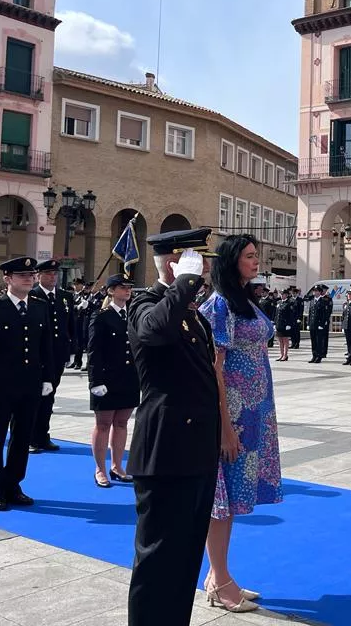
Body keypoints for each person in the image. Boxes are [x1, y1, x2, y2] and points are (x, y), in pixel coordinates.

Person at [126, 228, 220, 626]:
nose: (205, 275)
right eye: (199, 266)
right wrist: (183, 283)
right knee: (158, 556)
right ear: (173, 264)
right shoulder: (144, 303)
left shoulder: (193, 314)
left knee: (185, 554)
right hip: (165, 450)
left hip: (196, 447)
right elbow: (154, 332)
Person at [198, 234, 282, 613]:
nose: (255, 261)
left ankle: (220, 576)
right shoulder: (219, 306)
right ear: (232, 261)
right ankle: (220, 580)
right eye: (249, 256)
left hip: (255, 410)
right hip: (232, 412)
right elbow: (214, 367)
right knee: (222, 500)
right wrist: (224, 427)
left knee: (232, 498)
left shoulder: (245, 299)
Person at [0, 257, 54, 511]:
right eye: (21, 275)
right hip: (0, 387)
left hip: (29, 385)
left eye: (31, 275)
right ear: (7, 279)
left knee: (22, 438)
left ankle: (13, 484)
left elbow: (46, 347)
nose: (28, 279)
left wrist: (48, 378)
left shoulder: (40, 307)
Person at [87, 274, 139, 488]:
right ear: (110, 291)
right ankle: (100, 468)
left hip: (128, 378)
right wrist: (95, 380)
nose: (127, 291)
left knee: (121, 423)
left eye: (128, 287)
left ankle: (117, 466)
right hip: (107, 379)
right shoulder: (101, 316)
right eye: (121, 287)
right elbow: (93, 350)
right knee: (103, 424)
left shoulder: (132, 315)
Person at [28, 259, 76, 454]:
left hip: (57, 355)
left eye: (55, 274)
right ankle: (31, 437)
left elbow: (70, 325)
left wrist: (72, 349)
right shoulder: (32, 295)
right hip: (37, 356)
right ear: (39, 276)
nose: (52, 277)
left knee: (50, 396)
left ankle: (43, 435)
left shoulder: (65, 297)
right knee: (34, 397)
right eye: (48, 274)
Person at [308, 285, 332, 363]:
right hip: (312, 324)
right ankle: (314, 355)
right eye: (314, 291)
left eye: (317, 291)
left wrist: (322, 325)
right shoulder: (312, 301)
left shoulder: (323, 301)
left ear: (320, 292)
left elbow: (324, 314)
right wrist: (308, 323)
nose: (315, 292)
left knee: (319, 341)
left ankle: (319, 356)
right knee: (313, 341)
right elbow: (310, 313)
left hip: (319, 325)